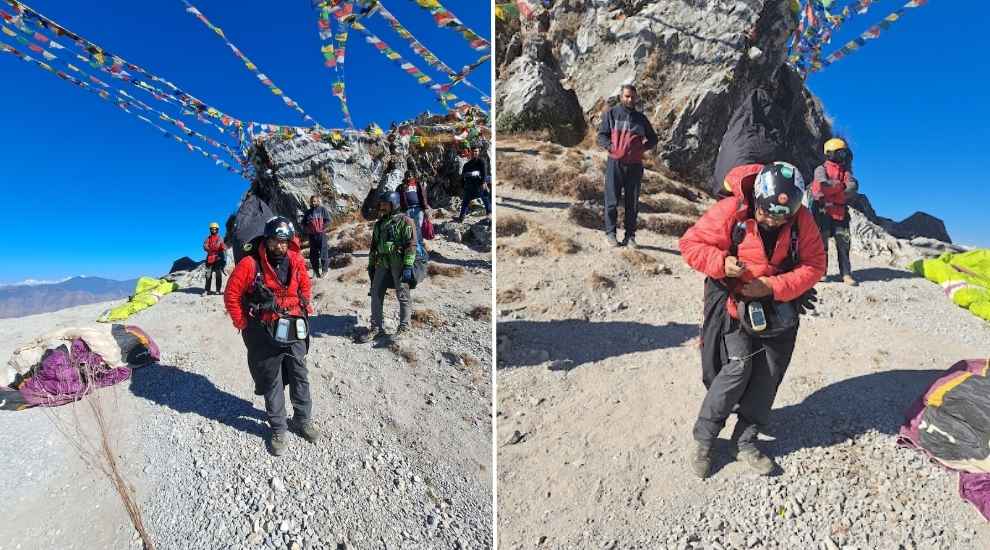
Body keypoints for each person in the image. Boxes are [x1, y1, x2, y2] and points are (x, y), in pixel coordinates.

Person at [679, 161, 825, 478]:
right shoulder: (732, 208)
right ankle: (705, 439)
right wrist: (721, 262)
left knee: (769, 373)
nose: (772, 219)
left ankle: (744, 441)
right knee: (738, 366)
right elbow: (690, 244)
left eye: (781, 215)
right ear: (756, 199)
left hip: (778, 304)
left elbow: (815, 265)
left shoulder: (802, 219)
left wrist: (770, 287)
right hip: (733, 300)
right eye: (766, 211)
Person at [223, 216, 320, 456]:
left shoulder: (296, 259)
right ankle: (278, 428)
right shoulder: (249, 264)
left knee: (300, 375)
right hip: (264, 332)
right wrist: (243, 322)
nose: (280, 246)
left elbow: (304, 284)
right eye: (276, 241)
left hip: (295, 325)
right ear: (266, 240)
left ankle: (302, 419)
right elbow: (232, 295)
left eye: (284, 241)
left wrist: (305, 305)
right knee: (272, 380)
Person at [597, 84, 658, 249]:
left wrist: (641, 148)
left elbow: (653, 138)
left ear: (636, 98)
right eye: (626, 96)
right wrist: (612, 148)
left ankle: (630, 236)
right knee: (612, 200)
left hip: (635, 165)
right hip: (615, 163)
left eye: (632, 97)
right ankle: (610, 233)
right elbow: (601, 136)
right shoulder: (611, 114)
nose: (630, 99)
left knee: (632, 204)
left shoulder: (641, 118)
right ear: (620, 97)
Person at [357, 192, 417, 343]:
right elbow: (373, 247)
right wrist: (371, 266)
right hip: (382, 263)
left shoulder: (406, 221)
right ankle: (376, 328)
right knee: (376, 294)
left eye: (385, 204)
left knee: (403, 295)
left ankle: (404, 327)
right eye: (381, 204)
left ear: (394, 204)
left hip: (399, 263)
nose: (382, 207)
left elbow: (411, 245)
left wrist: (408, 265)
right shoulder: (379, 224)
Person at [811, 138, 860, 286]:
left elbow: (853, 187)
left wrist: (835, 189)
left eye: (844, 153)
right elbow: (823, 185)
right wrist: (840, 187)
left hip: (840, 212)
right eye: (840, 153)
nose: (843, 156)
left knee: (844, 244)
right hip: (822, 211)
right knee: (821, 244)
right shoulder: (820, 169)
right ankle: (821, 272)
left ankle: (846, 273)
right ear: (830, 153)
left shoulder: (845, 172)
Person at [397, 170, 430, 258]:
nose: (408, 178)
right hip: (407, 210)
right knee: (409, 230)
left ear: (413, 177)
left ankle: (420, 252)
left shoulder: (418, 185)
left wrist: (425, 208)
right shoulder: (401, 187)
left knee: (417, 230)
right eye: (407, 176)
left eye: (410, 176)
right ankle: (410, 250)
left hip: (418, 209)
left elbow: (423, 196)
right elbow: (397, 198)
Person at [455, 147, 491, 222]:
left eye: (477, 151)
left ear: (479, 152)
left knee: (486, 198)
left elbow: (484, 173)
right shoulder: (467, 165)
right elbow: (462, 176)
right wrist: (463, 186)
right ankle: (461, 218)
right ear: (470, 152)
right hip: (469, 186)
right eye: (474, 151)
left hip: (479, 185)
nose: (475, 153)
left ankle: (489, 215)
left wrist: (483, 182)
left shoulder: (481, 161)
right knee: (465, 202)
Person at [302, 195, 332, 278]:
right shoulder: (308, 212)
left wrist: (323, 227)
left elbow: (329, 220)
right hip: (312, 236)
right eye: (312, 201)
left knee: (323, 253)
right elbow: (303, 223)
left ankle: (324, 270)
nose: (313, 203)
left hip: (321, 235)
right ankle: (315, 271)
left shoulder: (323, 210)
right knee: (313, 255)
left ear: (318, 201)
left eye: (315, 201)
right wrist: (307, 229)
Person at [203, 222, 226, 296]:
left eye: (215, 229)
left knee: (218, 275)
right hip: (209, 259)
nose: (213, 230)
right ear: (210, 230)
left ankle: (218, 290)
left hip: (218, 259)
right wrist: (211, 248)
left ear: (217, 230)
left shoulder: (220, 238)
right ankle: (207, 290)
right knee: (208, 275)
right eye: (212, 229)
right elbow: (205, 246)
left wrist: (221, 249)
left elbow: (223, 247)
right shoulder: (208, 238)